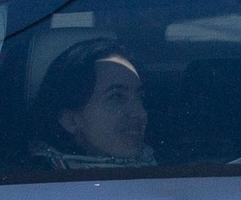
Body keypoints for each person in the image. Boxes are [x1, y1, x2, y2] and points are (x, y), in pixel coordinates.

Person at [26, 39, 153, 168]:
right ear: (71, 120)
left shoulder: (166, 166)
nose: (140, 113)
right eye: (116, 97)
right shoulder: (33, 182)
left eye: (140, 97)